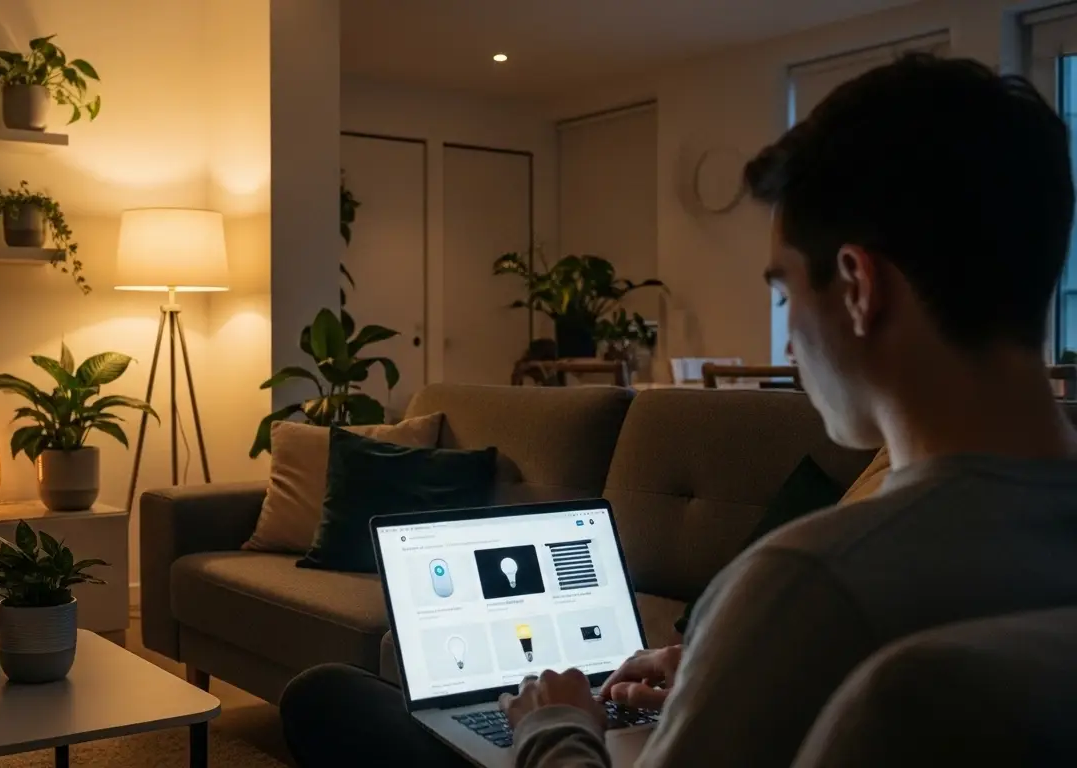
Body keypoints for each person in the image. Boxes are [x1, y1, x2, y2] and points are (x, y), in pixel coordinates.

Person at [280, 53, 1077, 767]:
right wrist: (720, 672)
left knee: (333, 702)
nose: (791, 342)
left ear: (860, 288)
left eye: (784, 291)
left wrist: (557, 727)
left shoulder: (807, 585)